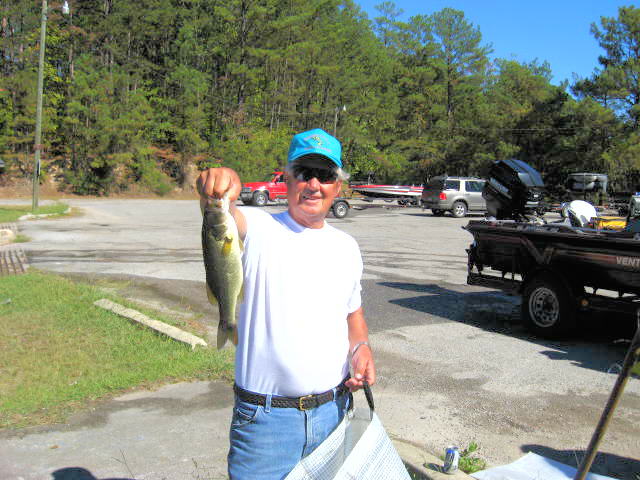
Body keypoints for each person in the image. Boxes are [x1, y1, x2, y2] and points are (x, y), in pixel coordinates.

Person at [197, 128, 375, 480]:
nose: (314, 184)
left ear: (338, 186)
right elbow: (220, 212)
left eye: (325, 175)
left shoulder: (347, 247)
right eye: (304, 172)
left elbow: (353, 315)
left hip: (334, 413)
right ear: (287, 179)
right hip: (265, 423)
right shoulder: (260, 228)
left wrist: (361, 349)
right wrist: (219, 183)